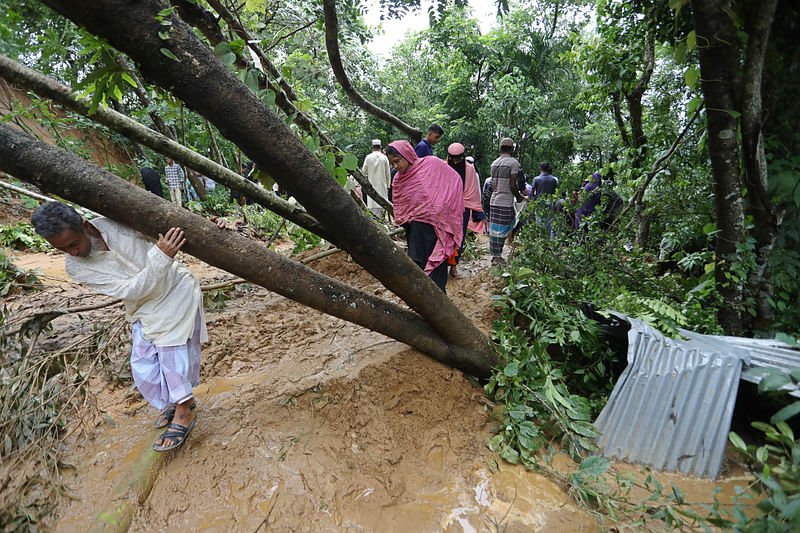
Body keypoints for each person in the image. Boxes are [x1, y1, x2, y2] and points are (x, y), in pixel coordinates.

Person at [30, 202, 207, 452]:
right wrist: (160, 256)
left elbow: (172, 227)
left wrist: (213, 227)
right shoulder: (76, 267)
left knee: (172, 353)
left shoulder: (118, 220)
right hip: (143, 306)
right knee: (143, 363)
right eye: (62, 249)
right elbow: (129, 290)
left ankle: (183, 410)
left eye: (73, 243)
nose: (72, 252)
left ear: (86, 226)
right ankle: (171, 400)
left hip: (176, 289)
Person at [386, 140, 463, 292]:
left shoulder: (432, 164)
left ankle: (441, 303)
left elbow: (454, 181)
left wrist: (442, 210)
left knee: (437, 266)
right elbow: (399, 205)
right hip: (415, 232)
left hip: (437, 229)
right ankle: (426, 306)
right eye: (392, 163)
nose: (395, 166)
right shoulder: (398, 178)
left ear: (407, 155)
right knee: (419, 268)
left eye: (397, 161)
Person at [446, 143, 483, 278]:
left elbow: (473, 191)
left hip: (463, 208)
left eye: (458, 159)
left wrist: (477, 211)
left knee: (458, 238)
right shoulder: (443, 167)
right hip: (446, 208)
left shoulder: (469, 170)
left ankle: (454, 267)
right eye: (453, 159)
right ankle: (441, 266)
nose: (455, 162)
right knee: (444, 236)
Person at [488, 138, 524, 265]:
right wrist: (519, 197)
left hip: (494, 200)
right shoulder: (513, 163)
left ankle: (495, 255)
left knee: (495, 229)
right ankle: (497, 257)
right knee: (508, 225)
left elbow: (493, 183)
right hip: (505, 201)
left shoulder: (494, 163)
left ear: (500, 148)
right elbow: (513, 184)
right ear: (512, 149)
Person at [361, 139, 392, 220]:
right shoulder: (384, 158)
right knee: (382, 209)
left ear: (372, 147)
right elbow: (388, 174)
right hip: (382, 188)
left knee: (373, 212)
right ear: (380, 147)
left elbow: (363, 172)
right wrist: (388, 187)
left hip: (371, 189)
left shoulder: (368, 157)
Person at [531, 162, 559, 239]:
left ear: (540, 169)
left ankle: (541, 241)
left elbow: (532, 192)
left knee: (540, 222)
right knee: (549, 223)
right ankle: (547, 242)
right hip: (550, 203)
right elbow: (556, 193)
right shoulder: (553, 180)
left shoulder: (536, 179)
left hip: (540, 203)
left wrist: (535, 198)